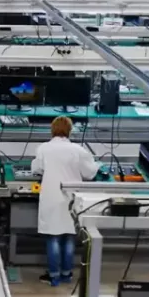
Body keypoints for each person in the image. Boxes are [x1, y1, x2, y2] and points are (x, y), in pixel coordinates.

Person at [31, 116, 99, 286]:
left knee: (53, 237)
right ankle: (67, 275)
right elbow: (90, 173)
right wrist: (98, 166)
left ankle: (54, 277)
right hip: (72, 198)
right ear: (69, 130)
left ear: (52, 130)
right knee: (69, 236)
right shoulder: (78, 150)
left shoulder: (44, 149)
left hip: (52, 197)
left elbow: (37, 169)